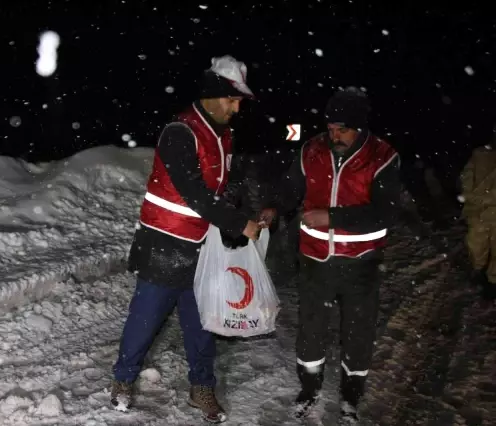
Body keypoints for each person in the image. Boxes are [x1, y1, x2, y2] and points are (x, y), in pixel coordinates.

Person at [110, 55, 262, 424]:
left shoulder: (223, 134)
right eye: (232, 99)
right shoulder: (180, 131)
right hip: (164, 243)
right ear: (212, 95)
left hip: (202, 245)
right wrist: (238, 223)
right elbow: (194, 191)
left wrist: (236, 207)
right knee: (145, 320)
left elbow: (221, 185)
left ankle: (201, 387)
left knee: (202, 322)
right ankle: (123, 380)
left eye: (240, 100)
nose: (237, 107)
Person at [261, 87, 402, 420]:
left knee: (358, 331)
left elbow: (386, 212)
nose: (334, 136)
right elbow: (290, 188)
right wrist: (275, 208)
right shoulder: (311, 150)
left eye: (343, 129)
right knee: (311, 327)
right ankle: (309, 388)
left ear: (361, 127)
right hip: (315, 260)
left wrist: (335, 217)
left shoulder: (382, 156)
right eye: (331, 128)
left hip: (361, 263)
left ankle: (351, 395)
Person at [460, 136, 496, 300]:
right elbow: (467, 175)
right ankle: (478, 269)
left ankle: (492, 282)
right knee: (476, 244)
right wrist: (470, 194)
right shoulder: (479, 154)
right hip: (479, 211)